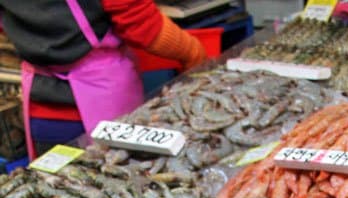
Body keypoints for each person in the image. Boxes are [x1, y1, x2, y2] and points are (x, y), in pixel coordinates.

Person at [0, 0, 207, 158]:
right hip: (100, 102)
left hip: (41, 105)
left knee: (59, 192)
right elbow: (142, 24)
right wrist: (193, 53)